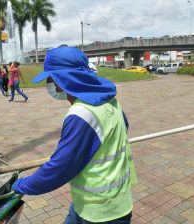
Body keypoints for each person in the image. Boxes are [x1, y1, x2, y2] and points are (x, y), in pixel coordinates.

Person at [12, 46, 137, 224]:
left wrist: (21, 185)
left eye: (51, 78)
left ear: (63, 79)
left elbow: (59, 169)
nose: (50, 83)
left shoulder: (82, 114)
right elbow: (124, 126)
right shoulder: (110, 99)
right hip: (94, 204)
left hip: (101, 214)